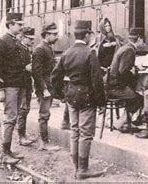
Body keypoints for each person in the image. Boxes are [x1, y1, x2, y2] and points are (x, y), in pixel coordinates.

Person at [51, 20, 106, 180]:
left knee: (75, 131)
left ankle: (76, 167)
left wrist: (61, 94)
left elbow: (55, 76)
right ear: (87, 35)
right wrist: (101, 102)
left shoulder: (66, 53)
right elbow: (97, 80)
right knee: (86, 133)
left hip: (71, 96)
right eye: (90, 34)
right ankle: (83, 169)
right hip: (87, 97)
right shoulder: (90, 53)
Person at [0, 13, 26, 164]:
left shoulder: (15, 41)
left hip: (18, 84)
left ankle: (9, 150)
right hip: (10, 85)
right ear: (10, 25)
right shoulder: (2, 42)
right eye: (18, 24)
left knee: (13, 117)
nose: (21, 27)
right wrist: (0, 88)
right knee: (10, 118)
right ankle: (5, 153)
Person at [107, 27, 144, 132]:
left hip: (111, 84)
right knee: (139, 99)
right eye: (143, 41)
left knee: (134, 95)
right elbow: (123, 71)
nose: (144, 43)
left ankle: (126, 122)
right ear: (139, 38)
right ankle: (121, 122)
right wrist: (135, 77)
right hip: (114, 87)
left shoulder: (125, 47)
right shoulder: (130, 50)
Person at [32, 23, 61, 151]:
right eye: (54, 34)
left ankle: (44, 141)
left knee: (45, 114)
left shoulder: (47, 48)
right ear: (47, 35)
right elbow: (36, 72)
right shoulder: (40, 49)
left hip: (48, 85)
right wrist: (44, 89)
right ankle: (44, 143)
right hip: (44, 87)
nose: (56, 37)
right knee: (44, 115)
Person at [16, 26, 36, 146]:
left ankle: (23, 135)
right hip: (21, 83)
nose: (32, 41)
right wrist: (25, 68)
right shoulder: (18, 49)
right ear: (23, 38)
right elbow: (13, 67)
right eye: (30, 38)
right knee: (23, 110)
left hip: (27, 83)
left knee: (26, 109)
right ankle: (21, 137)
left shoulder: (27, 49)